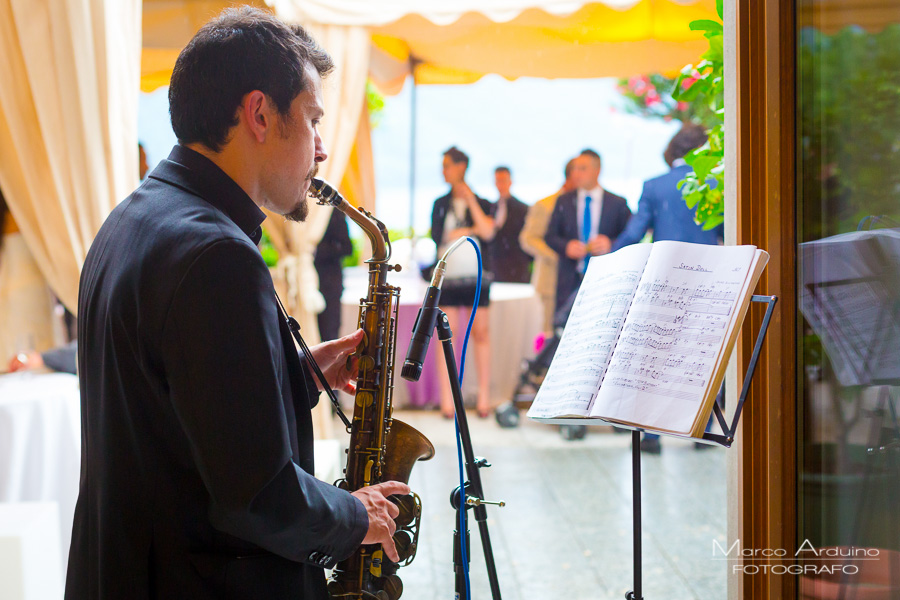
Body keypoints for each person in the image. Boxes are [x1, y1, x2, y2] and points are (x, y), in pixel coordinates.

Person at [66, 9, 407, 600]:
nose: (322, 150)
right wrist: (356, 517)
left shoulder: (138, 216)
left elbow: (183, 418)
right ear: (258, 115)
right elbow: (255, 494)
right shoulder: (215, 255)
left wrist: (296, 375)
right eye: (312, 119)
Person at [612, 123, 724, 454]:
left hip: (666, 281)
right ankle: (702, 429)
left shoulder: (654, 186)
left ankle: (652, 436)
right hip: (708, 280)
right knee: (701, 356)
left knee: (656, 357)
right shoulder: (714, 185)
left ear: (671, 150)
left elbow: (634, 235)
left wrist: (608, 258)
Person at [430, 146, 495, 419]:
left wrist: (469, 202)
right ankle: (448, 399)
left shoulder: (482, 201)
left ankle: (483, 397)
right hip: (450, 275)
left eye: (447, 165)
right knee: (448, 333)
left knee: (481, 333)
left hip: (477, 274)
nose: (444, 171)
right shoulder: (440, 203)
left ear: (461, 167)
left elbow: (488, 231)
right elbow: (436, 237)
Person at [544, 149, 632, 317]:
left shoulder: (617, 203)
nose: (575, 173)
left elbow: (631, 236)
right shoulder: (564, 201)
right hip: (569, 280)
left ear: (597, 170)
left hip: (605, 280)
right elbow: (550, 236)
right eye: (574, 169)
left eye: (582, 168)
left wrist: (611, 244)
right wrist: (566, 246)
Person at [520, 158, 576, 334]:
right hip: (549, 280)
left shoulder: (581, 204)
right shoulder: (546, 204)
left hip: (574, 279)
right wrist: (557, 255)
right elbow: (528, 238)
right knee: (548, 332)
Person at [314, 207, 353, 342]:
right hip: (306, 279)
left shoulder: (332, 211)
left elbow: (348, 248)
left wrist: (313, 251)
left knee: (329, 333)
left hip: (329, 282)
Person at [488, 166, 532, 283]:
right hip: (495, 265)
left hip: (517, 265)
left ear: (510, 182)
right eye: (498, 181)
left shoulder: (523, 209)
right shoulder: (490, 208)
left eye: (503, 180)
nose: (500, 184)